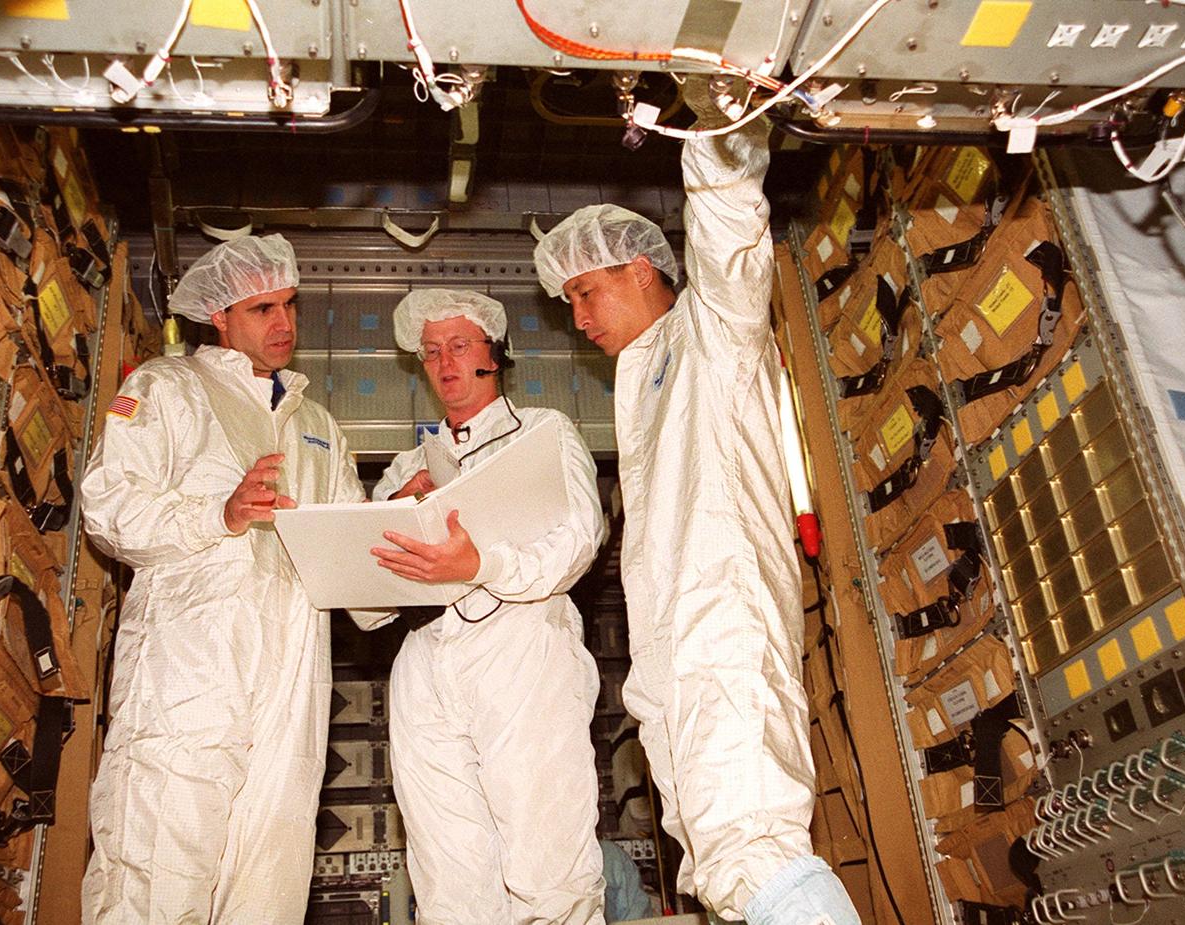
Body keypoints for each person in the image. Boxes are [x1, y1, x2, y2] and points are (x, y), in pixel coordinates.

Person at [532, 99, 862, 924]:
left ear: (642, 268)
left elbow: (725, 224)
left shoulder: (710, 327)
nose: (575, 316)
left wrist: (718, 107)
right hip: (675, 662)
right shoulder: (641, 380)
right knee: (719, 865)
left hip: (724, 629)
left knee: (756, 850)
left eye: (585, 290)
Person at [79, 234, 367, 924]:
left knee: (267, 879)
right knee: (158, 867)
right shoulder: (165, 386)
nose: (285, 323)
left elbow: (352, 554)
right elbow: (108, 503)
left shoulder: (318, 426)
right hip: (189, 675)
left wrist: (404, 530)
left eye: (291, 304)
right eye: (263, 306)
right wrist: (221, 511)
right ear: (220, 316)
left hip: (291, 680)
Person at [367, 288, 607, 924]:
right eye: (431, 351)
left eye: (460, 346)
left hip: (520, 646)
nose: (445, 362)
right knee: (448, 877)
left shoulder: (545, 431)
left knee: (546, 860)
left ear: (493, 354)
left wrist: (484, 566)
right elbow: (366, 607)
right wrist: (388, 518)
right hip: (424, 662)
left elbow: (582, 535)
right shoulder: (405, 468)